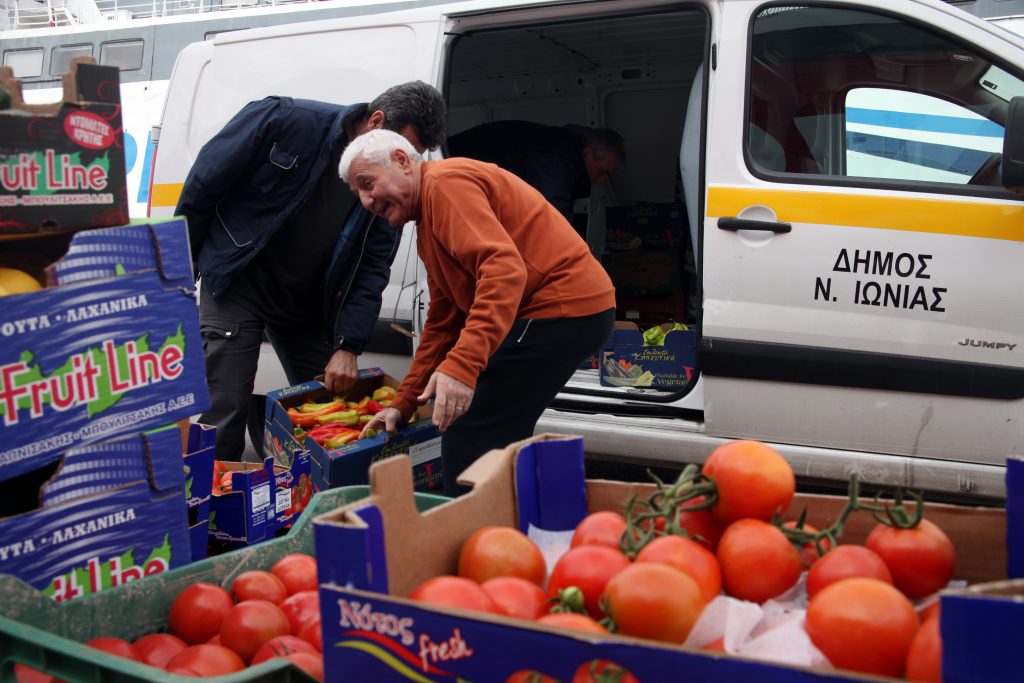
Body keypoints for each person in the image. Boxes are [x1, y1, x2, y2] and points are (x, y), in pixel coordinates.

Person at [176, 82, 447, 461]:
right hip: (240, 284)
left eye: (411, 157)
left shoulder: (390, 183)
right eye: (400, 151)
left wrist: (348, 346)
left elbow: (373, 269)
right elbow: (205, 180)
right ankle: (213, 512)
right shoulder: (285, 119)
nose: (404, 165)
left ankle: (316, 504)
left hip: (307, 306)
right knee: (224, 412)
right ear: (376, 122)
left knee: (336, 407)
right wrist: (183, 257)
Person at [343, 129, 616, 495]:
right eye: (357, 192)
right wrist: (404, 402)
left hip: (560, 308)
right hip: (569, 312)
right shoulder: (429, 222)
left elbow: (503, 269)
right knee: (496, 430)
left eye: (367, 183)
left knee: (471, 428)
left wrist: (463, 366)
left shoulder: (445, 186)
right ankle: (515, 529)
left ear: (402, 161)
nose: (365, 200)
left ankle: (476, 540)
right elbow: (444, 320)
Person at [446, 120, 625, 222]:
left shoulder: (567, 150)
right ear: (588, 154)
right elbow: (553, 216)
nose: (601, 181)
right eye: (603, 172)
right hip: (449, 168)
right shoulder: (558, 157)